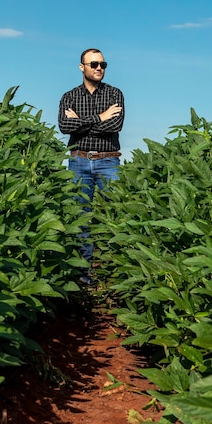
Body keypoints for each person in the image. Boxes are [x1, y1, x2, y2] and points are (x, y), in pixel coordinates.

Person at [58, 48, 125, 272]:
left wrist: (81, 123)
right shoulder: (69, 97)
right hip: (78, 162)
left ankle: (111, 274)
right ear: (82, 67)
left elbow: (114, 126)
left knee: (113, 214)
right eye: (94, 64)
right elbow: (65, 126)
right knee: (79, 217)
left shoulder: (115, 94)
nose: (99, 68)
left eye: (103, 65)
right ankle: (82, 276)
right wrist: (99, 118)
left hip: (108, 161)